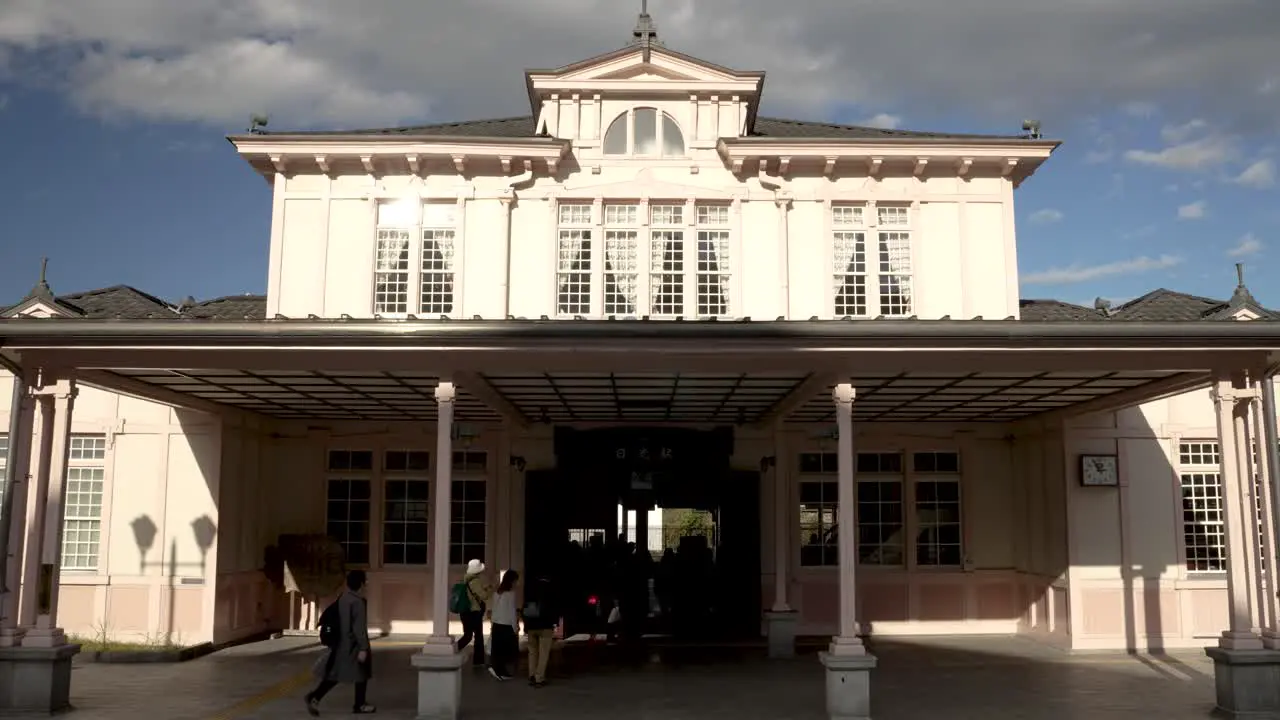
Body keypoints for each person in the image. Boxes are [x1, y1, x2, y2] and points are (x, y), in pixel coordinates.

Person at [305, 570, 375, 715]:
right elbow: (359, 628)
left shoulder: (344, 597)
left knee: (336, 674)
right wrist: (363, 648)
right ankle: (359, 705)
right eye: (365, 581)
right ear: (361, 584)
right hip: (353, 646)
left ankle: (315, 696)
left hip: (341, 644)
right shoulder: (358, 602)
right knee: (361, 674)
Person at [522, 574, 562, 688]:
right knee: (543, 652)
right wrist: (556, 623)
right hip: (546, 626)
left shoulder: (530, 590)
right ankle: (539, 678)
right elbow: (555, 609)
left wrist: (526, 625)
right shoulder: (551, 591)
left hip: (531, 626)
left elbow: (524, 608)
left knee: (532, 652)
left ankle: (532, 675)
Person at [455, 559, 492, 666]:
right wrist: (490, 589)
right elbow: (484, 596)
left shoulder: (465, 580)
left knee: (468, 635)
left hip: (465, 612)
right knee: (478, 637)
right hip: (474, 612)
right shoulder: (475, 581)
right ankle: (478, 661)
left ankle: (453, 649)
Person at [488, 569, 520, 680]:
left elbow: (494, 609)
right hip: (506, 625)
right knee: (507, 650)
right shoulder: (510, 594)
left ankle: (498, 670)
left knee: (498, 650)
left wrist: (492, 623)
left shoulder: (497, 593)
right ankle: (501, 672)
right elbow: (512, 612)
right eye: (516, 581)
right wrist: (515, 627)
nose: (517, 583)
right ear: (512, 581)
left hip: (497, 624)